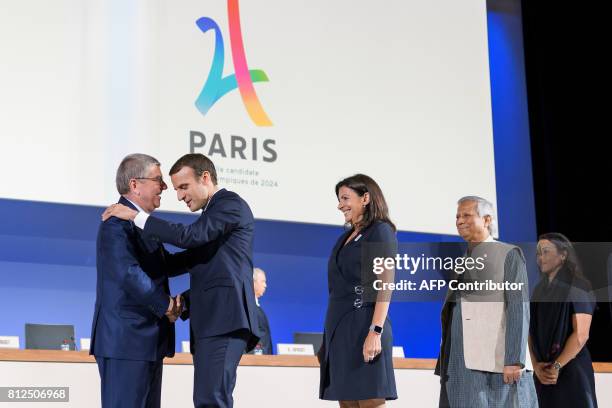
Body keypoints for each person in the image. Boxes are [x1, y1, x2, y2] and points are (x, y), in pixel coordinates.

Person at [102, 153, 261, 408]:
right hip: (211, 321)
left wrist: (136, 217)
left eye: (183, 187)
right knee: (207, 400)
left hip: (225, 320)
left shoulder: (229, 204)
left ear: (205, 178)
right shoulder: (211, 217)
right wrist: (176, 303)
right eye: (174, 188)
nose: (178, 196)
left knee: (211, 401)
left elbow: (189, 237)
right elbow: (184, 261)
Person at [90, 153, 185, 408]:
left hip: (147, 341)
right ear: (135, 184)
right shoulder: (115, 223)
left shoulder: (141, 223)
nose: (164, 187)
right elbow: (128, 273)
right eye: (158, 180)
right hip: (126, 342)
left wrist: (207, 251)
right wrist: (165, 305)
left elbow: (167, 265)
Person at [435, 196, 537, 408]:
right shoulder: (461, 262)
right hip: (458, 359)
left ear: (487, 220)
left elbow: (518, 307)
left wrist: (514, 359)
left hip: (493, 361)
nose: (460, 221)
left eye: (467, 215)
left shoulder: (508, 254)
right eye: (457, 216)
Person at [319, 174, 398, 407]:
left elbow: (386, 284)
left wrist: (375, 331)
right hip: (340, 331)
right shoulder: (344, 238)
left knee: (369, 400)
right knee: (347, 402)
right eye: (339, 199)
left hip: (365, 327)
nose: (340, 204)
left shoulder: (380, 231)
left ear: (365, 198)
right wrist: (326, 342)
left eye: (345, 198)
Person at [529, 233, 598, 407]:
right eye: (538, 253)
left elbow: (581, 335)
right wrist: (536, 366)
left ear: (563, 255)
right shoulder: (538, 290)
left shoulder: (578, 286)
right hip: (543, 375)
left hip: (571, 372)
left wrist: (556, 367)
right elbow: (530, 332)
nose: (540, 257)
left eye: (546, 251)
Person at [249, 267, 273, 355]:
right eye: (263, 281)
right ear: (253, 282)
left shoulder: (257, 308)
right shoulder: (248, 308)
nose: (265, 285)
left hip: (263, 361)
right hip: (253, 361)